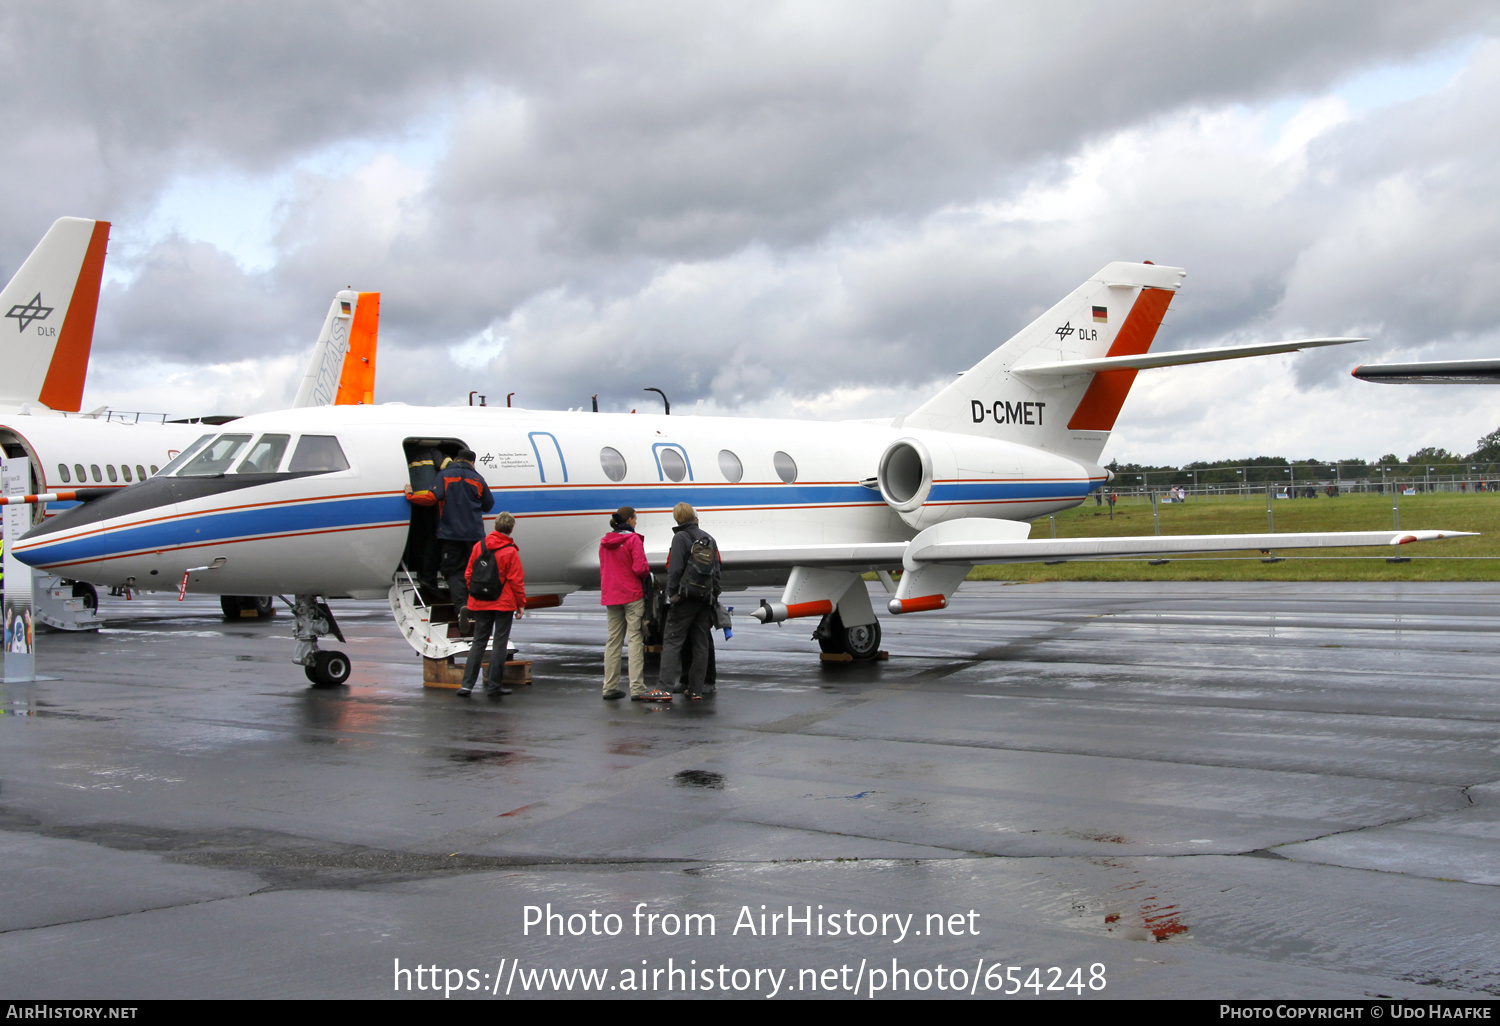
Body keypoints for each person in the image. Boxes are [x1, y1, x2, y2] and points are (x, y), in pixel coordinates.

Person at [599, 506, 670, 702]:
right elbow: (640, 567)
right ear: (629, 520)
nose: (636, 521)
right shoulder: (633, 540)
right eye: (635, 518)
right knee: (635, 639)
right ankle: (637, 687)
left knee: (613, 641)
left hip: (611, 596)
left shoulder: (604, 543)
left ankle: (609, 686)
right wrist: (649, 577)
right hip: (631, 594)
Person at [423, 448, 493, 631]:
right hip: (475, 536)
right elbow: (488, 505)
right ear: (472, 462)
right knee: (476, 572)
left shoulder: (445, 475)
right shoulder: (478, 479)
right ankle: (478, 609)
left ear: (456, 459)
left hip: (450, 534)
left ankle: (462, 605)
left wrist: (410, 495)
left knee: (453, 571)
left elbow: (434, 496)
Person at [458, 511, 526, 697]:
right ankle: (494, 685)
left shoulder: (478, 547)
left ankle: (467, 685)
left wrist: (477, 593)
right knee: (499, 643)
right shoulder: (510, 550)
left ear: (495, 526)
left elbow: (468, 574)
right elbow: (516, 581)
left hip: (480, 602)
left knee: (478, 642)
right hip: (503, 603)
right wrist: (521, 603)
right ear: (511, 529)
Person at [657, 502, 720, 700]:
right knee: (701, 643)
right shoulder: (708, 538)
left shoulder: (680, 538)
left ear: (677, 518)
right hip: (704, 598)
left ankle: (664, 688)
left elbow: (674, 569)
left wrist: (671, 594)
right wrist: (713, 596)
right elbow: (717, 571)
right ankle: (696, 689)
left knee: (672, 641)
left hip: (685, 598)